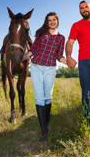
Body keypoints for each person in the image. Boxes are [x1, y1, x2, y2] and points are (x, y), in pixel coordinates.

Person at [23, 12, 66, 141]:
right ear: (46, 22)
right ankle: (43, 130)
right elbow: (34, 49)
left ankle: (46, 122)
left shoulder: (61, 38)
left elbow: (59, 55)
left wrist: (69, 62)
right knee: (39, 97)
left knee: (48, 96)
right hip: (36, 67)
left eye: (54, 20)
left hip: (50, 69)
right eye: (49, 20)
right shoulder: (41, 33)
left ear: (57, 21)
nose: (52, 22)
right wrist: (24, 56)